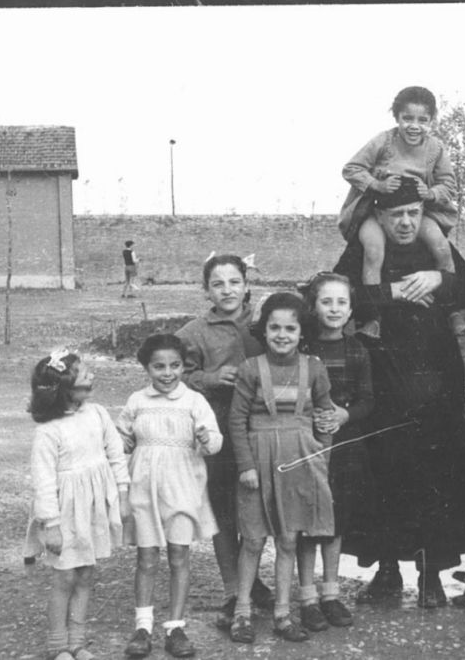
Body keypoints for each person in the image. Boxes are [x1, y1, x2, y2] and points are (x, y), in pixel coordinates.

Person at [332, 183, 465, 608]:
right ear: (379, 217)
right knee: (384, 472)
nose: (405, 223)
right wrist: (392, 292)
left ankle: (432, 575)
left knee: (435, 474)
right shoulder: (363, 250)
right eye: (396, 215)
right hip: (382, 382)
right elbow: (328, 297)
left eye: (413, 213)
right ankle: (386, 571)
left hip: (436, 381)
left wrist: (440, 277)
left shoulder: (435, 247)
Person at [227, 293, 335, 644]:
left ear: (302, 331)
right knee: (254, 539)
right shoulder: (250, 368)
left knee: (289, 539)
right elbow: (237, 420)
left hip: (299, 461)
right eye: (274, 327)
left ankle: (283, 612)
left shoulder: (314, 367)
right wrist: (246, 465)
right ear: (264, 330)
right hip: (257, 462)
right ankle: (241, 612)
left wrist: (321, 455)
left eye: (290, 328)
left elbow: (325, 414)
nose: (282, 334)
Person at [175, 253, 274, 627]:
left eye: (234, 282)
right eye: (218, 284)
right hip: (217, 433)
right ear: (206, 291)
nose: (227, 290)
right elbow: (173, 372)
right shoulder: (194, 332)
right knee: (223, 510)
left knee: (257, 508)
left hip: (262, 429)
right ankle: (234, 590)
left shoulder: (263, 323)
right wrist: (211, 378)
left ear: (247, 284)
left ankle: (254, 580)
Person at [118, 334, 222, 658]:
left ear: (183, 366)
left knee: (179, 554)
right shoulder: (137, 401)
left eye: (174, 365)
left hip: (182, 485)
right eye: (159, 366)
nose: (167, 373)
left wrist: (207, 438)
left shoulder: (194, 401)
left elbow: (215, 442)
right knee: (146, 557)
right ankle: (143, 626)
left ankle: (176, 626)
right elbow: (120, 440)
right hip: (144, 485)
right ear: (147, 367)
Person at [337, 85, 465, 338]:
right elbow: (351, 169)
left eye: (423, 120)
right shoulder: (384, 142)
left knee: (441, 246)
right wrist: (376, 184)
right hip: (378, 211)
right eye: (407, 118)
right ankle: (372, 318)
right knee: (374, 250)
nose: (414, 126)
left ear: (432, 121)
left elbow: (449, 185)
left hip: (416, 209)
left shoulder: (435, 149)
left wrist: (430, 193)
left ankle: (452, 310)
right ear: (396, 118)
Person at [24, 350, 131, 660]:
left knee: (85, 573)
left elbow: (115, 456)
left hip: (93, 507)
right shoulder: (48, 431)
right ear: (64, 388)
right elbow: (43, 482)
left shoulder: (97, 414)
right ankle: (58, 646)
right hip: (65, 511)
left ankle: (78, 643)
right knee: (64, 576)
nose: (92, 376)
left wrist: (122, 496)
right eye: (85, 374)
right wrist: (51, 526)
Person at [295, 273, 375, 633]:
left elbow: (368, 400)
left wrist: (345, 414)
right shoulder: (302, 347)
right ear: (313, 306)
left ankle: (330, 592)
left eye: (342, 302)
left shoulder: (357, 349)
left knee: (335, 519)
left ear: (351, 308)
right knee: (307, 521)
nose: (334, 309)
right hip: (306, 444)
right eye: (326, 302)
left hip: (343, 445)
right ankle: (308, 597)